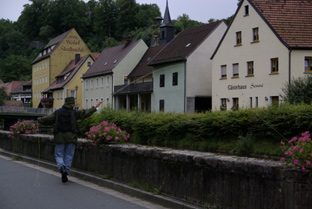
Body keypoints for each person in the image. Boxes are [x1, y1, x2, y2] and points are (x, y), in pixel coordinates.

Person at [38, 97, 101, 183]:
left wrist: (39, 119)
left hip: (59, 136)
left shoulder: (58, 112)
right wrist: (94, 107)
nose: (75, 104)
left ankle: (61, 167)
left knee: (59, 155)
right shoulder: (74, 113)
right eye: (74, 103)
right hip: (71, 137)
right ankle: (66, 172)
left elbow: (48, 119)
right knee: (69, 155)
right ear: (71, 104)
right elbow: (85, 113)